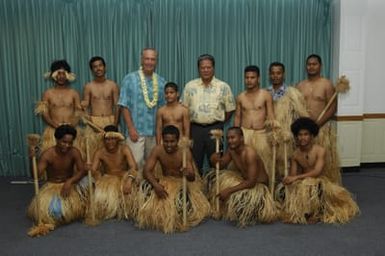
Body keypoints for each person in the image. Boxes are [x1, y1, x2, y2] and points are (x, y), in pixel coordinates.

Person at [276, 118, 359, 224]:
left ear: (312, 136)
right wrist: (288, 180)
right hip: (304, 182)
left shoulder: (320, 151)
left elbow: (317, 172)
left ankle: (316, 213)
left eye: (306, 134)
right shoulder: (295, 155)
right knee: (284, 190)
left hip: (319, 181)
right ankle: (298, 212)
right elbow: (293, 175)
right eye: (300, 135)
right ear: (296, 137)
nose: (303, 138)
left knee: (316, 187)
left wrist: (296, 178)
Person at [136, 125, 210, 233]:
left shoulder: (184, 152)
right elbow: (146, 171)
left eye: (172, 141)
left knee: (182, 198)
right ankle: (157, 214)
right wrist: (156, 186)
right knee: (145, 185)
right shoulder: (158, 150)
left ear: (178, 140)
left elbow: (192, 177)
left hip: (181, 183)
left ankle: (178, 216)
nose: (169, 145)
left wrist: (188, 173)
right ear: (162, 140)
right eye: (166, 141)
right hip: (165, 181)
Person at [207, 127, 278, 227]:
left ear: (241, 138)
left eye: (233, 137)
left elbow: (251, 182)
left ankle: (256, 207)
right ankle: (222, 209)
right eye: (228, 138)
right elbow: (221, 165)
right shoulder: (231, 150)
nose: (230, 141)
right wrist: (213, 159)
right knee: (214, 177)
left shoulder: (250, 154)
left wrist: (229, 190)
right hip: (245, 181)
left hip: (257, 187)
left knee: (240, 202)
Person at [27, 125, 87, 236]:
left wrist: (70, 181)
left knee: (88, 184)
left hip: (69, 184)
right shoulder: (48, 155)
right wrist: (32, 159)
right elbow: (36, 175)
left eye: (70, 143)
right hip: (53, 186)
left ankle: (76, 206)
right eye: (64, 142)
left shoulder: (74, 152)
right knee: (56, 213)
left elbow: (82, 171)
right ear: (57, 139)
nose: (67, 145)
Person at [182, 54, 236, 174]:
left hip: (215, 129)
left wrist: (218, 122)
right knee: (195, 163)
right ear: (198, 69)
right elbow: (184, 110)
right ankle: (197, 190)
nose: (206, 70)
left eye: (208, 67)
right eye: (203, 68)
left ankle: (214, 190)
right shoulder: (190, 86)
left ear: (213, 68)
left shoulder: (223, 87)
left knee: (216, 163)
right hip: (195, 129)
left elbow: (230, 109)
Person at [118, 48, 166, 171]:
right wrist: (131, 128)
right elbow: (124, 105)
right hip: (136, 133)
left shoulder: (161, 82)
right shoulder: (129, 79)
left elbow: (163, 110)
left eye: (152, 59)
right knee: (135, 165)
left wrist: (160, 135)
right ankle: (135, 190)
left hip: (154, 134)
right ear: (141, 59)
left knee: (153, 167)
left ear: (156, 62)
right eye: (147, 59)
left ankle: (148, 190)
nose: (149, 62)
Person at [297, 54, 341, 184]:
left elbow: (333, 108)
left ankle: (325, 187)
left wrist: (317, 125)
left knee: (323, 163)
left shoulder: (327, 84)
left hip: (321, 129)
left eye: (314, 64)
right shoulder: (300, 86)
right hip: (303, 132)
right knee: (305, 161)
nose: (311, 67)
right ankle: (304, 188)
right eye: (309, 64)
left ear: (320, 66)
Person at [233, 65, 275, 187]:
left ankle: (265, 191)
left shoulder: (265, 95)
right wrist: (236, 134)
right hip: (245, 134)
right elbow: (237, 117)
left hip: (261, 134)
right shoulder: (241, 96)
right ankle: (245, 193)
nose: (249, 80)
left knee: (264, 164)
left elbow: (271, 116)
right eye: (247, 77)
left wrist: (273, 134)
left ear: (258, 78)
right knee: (243, 164)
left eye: (252, 77)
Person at [267, 62, 309, 180]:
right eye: (273, 73)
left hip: (287, 135)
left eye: (278, 73)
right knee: (271, 162)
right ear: (269, 75)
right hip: (271, 135)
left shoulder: (292, 93)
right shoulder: (265, 93)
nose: (275, 76)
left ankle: (288, 190)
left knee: (288, 164)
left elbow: (300, 116)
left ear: (283, 74)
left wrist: (296, 136)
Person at [89, 125, 138, 222]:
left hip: (123, 178)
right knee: (101, 197)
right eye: (107, 139)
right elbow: (93, 170)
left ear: (118, 139)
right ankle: (111, 207)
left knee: (131, 193)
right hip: (108, 180)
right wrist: (96, 175)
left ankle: (123, 208)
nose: (110, 142)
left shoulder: (124, 149)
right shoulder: (100, 152)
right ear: (103, 140)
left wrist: (129, 180)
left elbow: (134, 167)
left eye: (113, 139)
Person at [35, 60, 83, 154]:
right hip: (53, 130)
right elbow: (45, 114)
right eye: (58, 73)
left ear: (68, 76)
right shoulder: (47, 94)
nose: (61, 76)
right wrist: (56, 126)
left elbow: (79, 113)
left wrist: (70, 127)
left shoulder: (74, 93)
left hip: (72, 130)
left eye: (63, 74)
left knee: (74, 158)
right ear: (53, 75)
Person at [81, 56, 120, 158]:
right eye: (95, 67)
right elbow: (85, 106)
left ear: (105, 67)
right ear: (92, 70)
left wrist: (114, 125)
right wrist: (90, 121)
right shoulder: (88, 86)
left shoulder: (113, 85)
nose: (98, 68)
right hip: (94, 123)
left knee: (112, 153)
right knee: (94, 153)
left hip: (110, 121)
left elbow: (117, 106)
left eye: (100, 65)